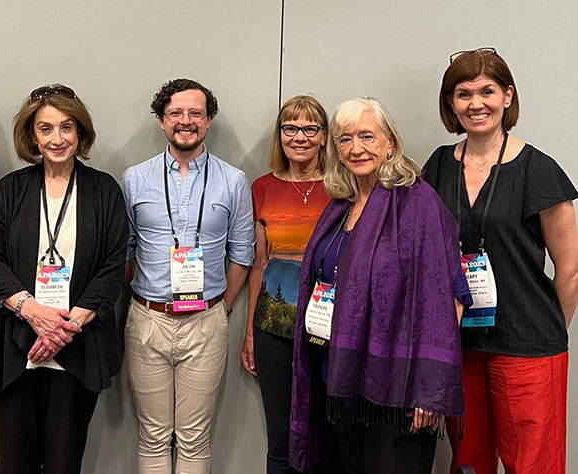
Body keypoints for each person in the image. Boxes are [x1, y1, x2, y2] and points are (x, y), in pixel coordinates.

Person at [290, 97, 469, 474]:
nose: (356, 148)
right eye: (344, 139)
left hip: (397, 389)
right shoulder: (341, 205)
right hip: (338, 378)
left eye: (367, 136)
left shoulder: (417, 202)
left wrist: (429, 388)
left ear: (390, 142)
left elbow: (444, 297)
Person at [423, 48, 578, 474]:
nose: (476, 104)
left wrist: (543, 330)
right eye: (463, 93)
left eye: (487, 91)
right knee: (469, 463)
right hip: (461, 345)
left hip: (527, 347)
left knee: (532, 465)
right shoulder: (438, 166)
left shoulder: (539, 170)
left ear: (507, 96)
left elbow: (570, 270)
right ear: (451, 103)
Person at [0, 84, 128, 474]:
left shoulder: (103, 190)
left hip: (76, 347)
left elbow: (111, 264)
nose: (57, 139)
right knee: (14, 463)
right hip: (15, 345)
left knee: (63, 464)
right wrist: (34, 313)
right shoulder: (11, 190)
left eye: (66, 127)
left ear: (80, 133)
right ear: (32, 136)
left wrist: (66, 325)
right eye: (46, 129)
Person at [122, 78, 255, 474]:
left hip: (207, 321)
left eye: (196, 113)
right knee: (153, 435)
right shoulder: (134, 179)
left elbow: (242, 254)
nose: (186, 121)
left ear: (209, 120)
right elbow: (127, 251)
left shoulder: (233, 180)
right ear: (162, 121)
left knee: (195, 438)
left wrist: (220, 308)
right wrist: (145, 302)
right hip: (148, 320)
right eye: (176, 113)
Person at [240, 95, 330, 474]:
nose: (300, 137)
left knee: (325, 434)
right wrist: (248, 334)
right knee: (280, 436)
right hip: (273, 327)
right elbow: (259, 265)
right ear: (280, 135)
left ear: (325, 137)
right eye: (290, 128)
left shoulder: (344, 186)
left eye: (311, 128)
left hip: (329, 327)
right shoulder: (262, 187)